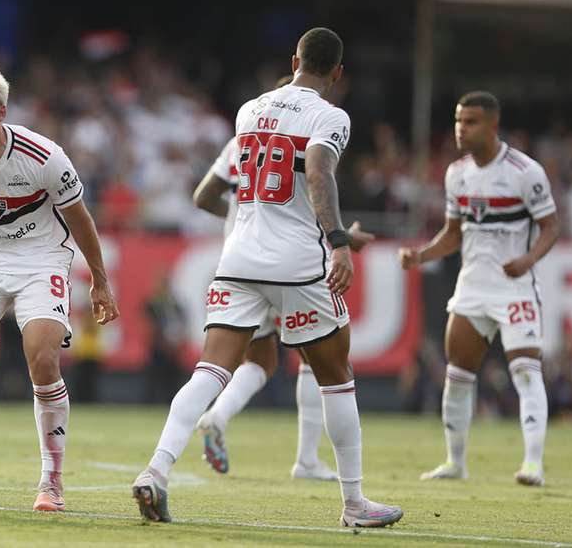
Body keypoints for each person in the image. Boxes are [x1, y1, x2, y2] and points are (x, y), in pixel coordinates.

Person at [131, 28, 402, 528]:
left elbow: (218, 191)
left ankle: (155, 472)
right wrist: (339, 242)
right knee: (336, 378)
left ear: (294, 58)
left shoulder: (249, 110)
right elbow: (318, 173)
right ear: (338, 73)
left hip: (238, 258)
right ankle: (354, 504)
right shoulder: (330, 116)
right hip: (298, 263)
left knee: (209, 373)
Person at [0, 66, 120, 512]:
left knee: (43, 357)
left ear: (0, 112)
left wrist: (101, 282)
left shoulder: (43, 155)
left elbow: (80, 219)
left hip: (39, 261)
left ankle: (51, 480)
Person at [193, 129, 373, 480]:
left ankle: (218, 415)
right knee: (313, 357)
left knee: (259, 359)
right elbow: (304, 210)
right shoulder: (305, 141)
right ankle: (307, 459)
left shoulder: (239, 141)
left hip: (239, 263)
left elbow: (202, 197)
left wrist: (238, 217)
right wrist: (343, 238)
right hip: (287, 264)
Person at [399, 91, 559, 486]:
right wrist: (422, 255)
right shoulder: (457, 174)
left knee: (525, 371)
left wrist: (528, 260)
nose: (460, 129)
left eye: (470, 121)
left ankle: (533, 464)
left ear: (492, 125)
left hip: (515, 288)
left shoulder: (525, 172)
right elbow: (453, 234)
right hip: (472, 287)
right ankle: (455, 463)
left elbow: (550, 226)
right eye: (458, 121)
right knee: (457, 376)